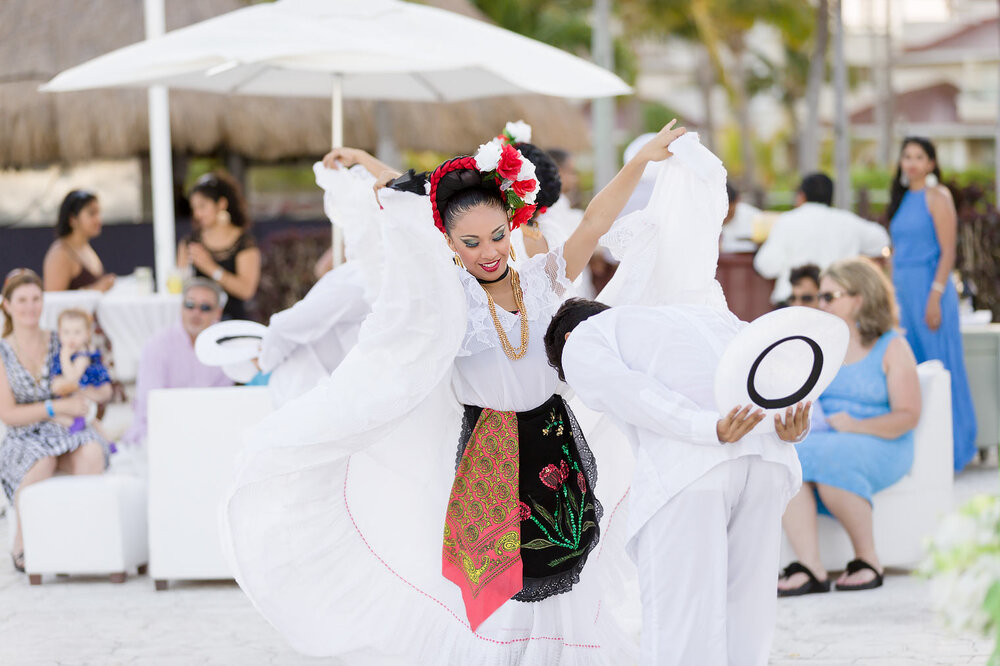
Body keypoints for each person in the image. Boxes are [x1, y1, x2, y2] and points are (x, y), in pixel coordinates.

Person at [222, 120, 689, 664]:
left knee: (565, 557)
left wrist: (640, 161)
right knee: (502, 567)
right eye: (470, 242)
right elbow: (416, 195)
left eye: (496, 236)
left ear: (512, 225)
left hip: (554, 433)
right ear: (447, 241)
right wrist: (370, 164)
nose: (488, 251)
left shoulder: (541, 278)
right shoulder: (448, 300)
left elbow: (594, 221)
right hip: (490, 444)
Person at [545, 296, 809, 665]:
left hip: (695, 465)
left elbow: (627, 390)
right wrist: (789, 425)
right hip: (767, 461)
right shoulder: (703, 315)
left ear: (568, 337)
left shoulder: (586, 338)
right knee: (749, 612)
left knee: (682, 619)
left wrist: (707, 427)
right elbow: (771, 361)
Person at [778, 258, 921, 596]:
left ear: (859, 298)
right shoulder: (822, 347)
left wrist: (855, 425)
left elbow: (908, 415)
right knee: (784, 456)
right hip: (831, 436)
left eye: (829, 296)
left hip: (883, 440)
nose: (820, 304)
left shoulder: (892, 346)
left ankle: (868, 559)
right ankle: (810, 567)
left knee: (833, 456)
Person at [0, 269, 110, 573]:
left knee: (91, 452)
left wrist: (89, 390)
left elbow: (88, 377)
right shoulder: (3, 351)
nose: (30, 306)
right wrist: (53, 406)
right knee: (42, 460)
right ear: (7, 305)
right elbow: (8, 414)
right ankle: (23, 542)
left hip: (67, 427)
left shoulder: (61, 339)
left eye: (36, 299)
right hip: (24, 434)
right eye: (21, 300)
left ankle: (80, 540)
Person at [888, 137, 976, 471]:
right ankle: (924, 452)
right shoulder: (900, 200)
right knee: (912, 370)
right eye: (906, 156)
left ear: (931, 163)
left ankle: (956, 450)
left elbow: (948, 251)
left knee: (941, 366)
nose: (911, 162)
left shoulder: (937, 197)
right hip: (903, 292)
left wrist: (936, 295)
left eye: (918, 157)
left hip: (930, 288)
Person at [120, 279, 231, 447]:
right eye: (190, 305)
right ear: (181, 307)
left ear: (218, 313)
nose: (196, 313)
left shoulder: (224, 350)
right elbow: (149, 405)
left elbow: (222, 405)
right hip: (159, 431)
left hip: (208, 433)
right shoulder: (158, 344)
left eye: (205, 308)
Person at [753, 173, 889, 303]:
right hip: (836, 302)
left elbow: (766, 265)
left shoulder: (787, 221)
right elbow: (881, 239)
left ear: (802, 196)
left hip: (794, 302)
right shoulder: (847, 221)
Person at [177, 172, 261, 321]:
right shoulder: (189, 243)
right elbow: (181, 286)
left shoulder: (244, 242)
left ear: (221, 204)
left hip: (233, 322)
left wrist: (211, 268)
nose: (197, 214)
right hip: (198, 324)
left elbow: (247, 291)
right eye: (194, 208)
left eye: (202, 206)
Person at [50, 309, 111, 434]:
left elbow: (72, 378)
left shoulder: (82, 355)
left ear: (87, 334)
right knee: (93, 422)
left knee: (53, 415)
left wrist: (65, 358)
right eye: (66, 332)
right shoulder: (65, 350)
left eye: (77, 332)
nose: (71, 338)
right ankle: (108, 442)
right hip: (72, 397)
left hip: (84, 400)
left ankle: (75, 424)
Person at [42, 190, 116, 292]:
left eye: (99, 213)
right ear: (73, 220)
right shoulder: (60, 253)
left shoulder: (85, 247)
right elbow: (53, 300)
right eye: (92, 213)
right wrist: (95, 289)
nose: (98, 219)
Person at [720, 182, 761, 253]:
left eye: (728, 213)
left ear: (737, 201)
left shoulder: (756, 217)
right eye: (720, 215)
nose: (724, 218)